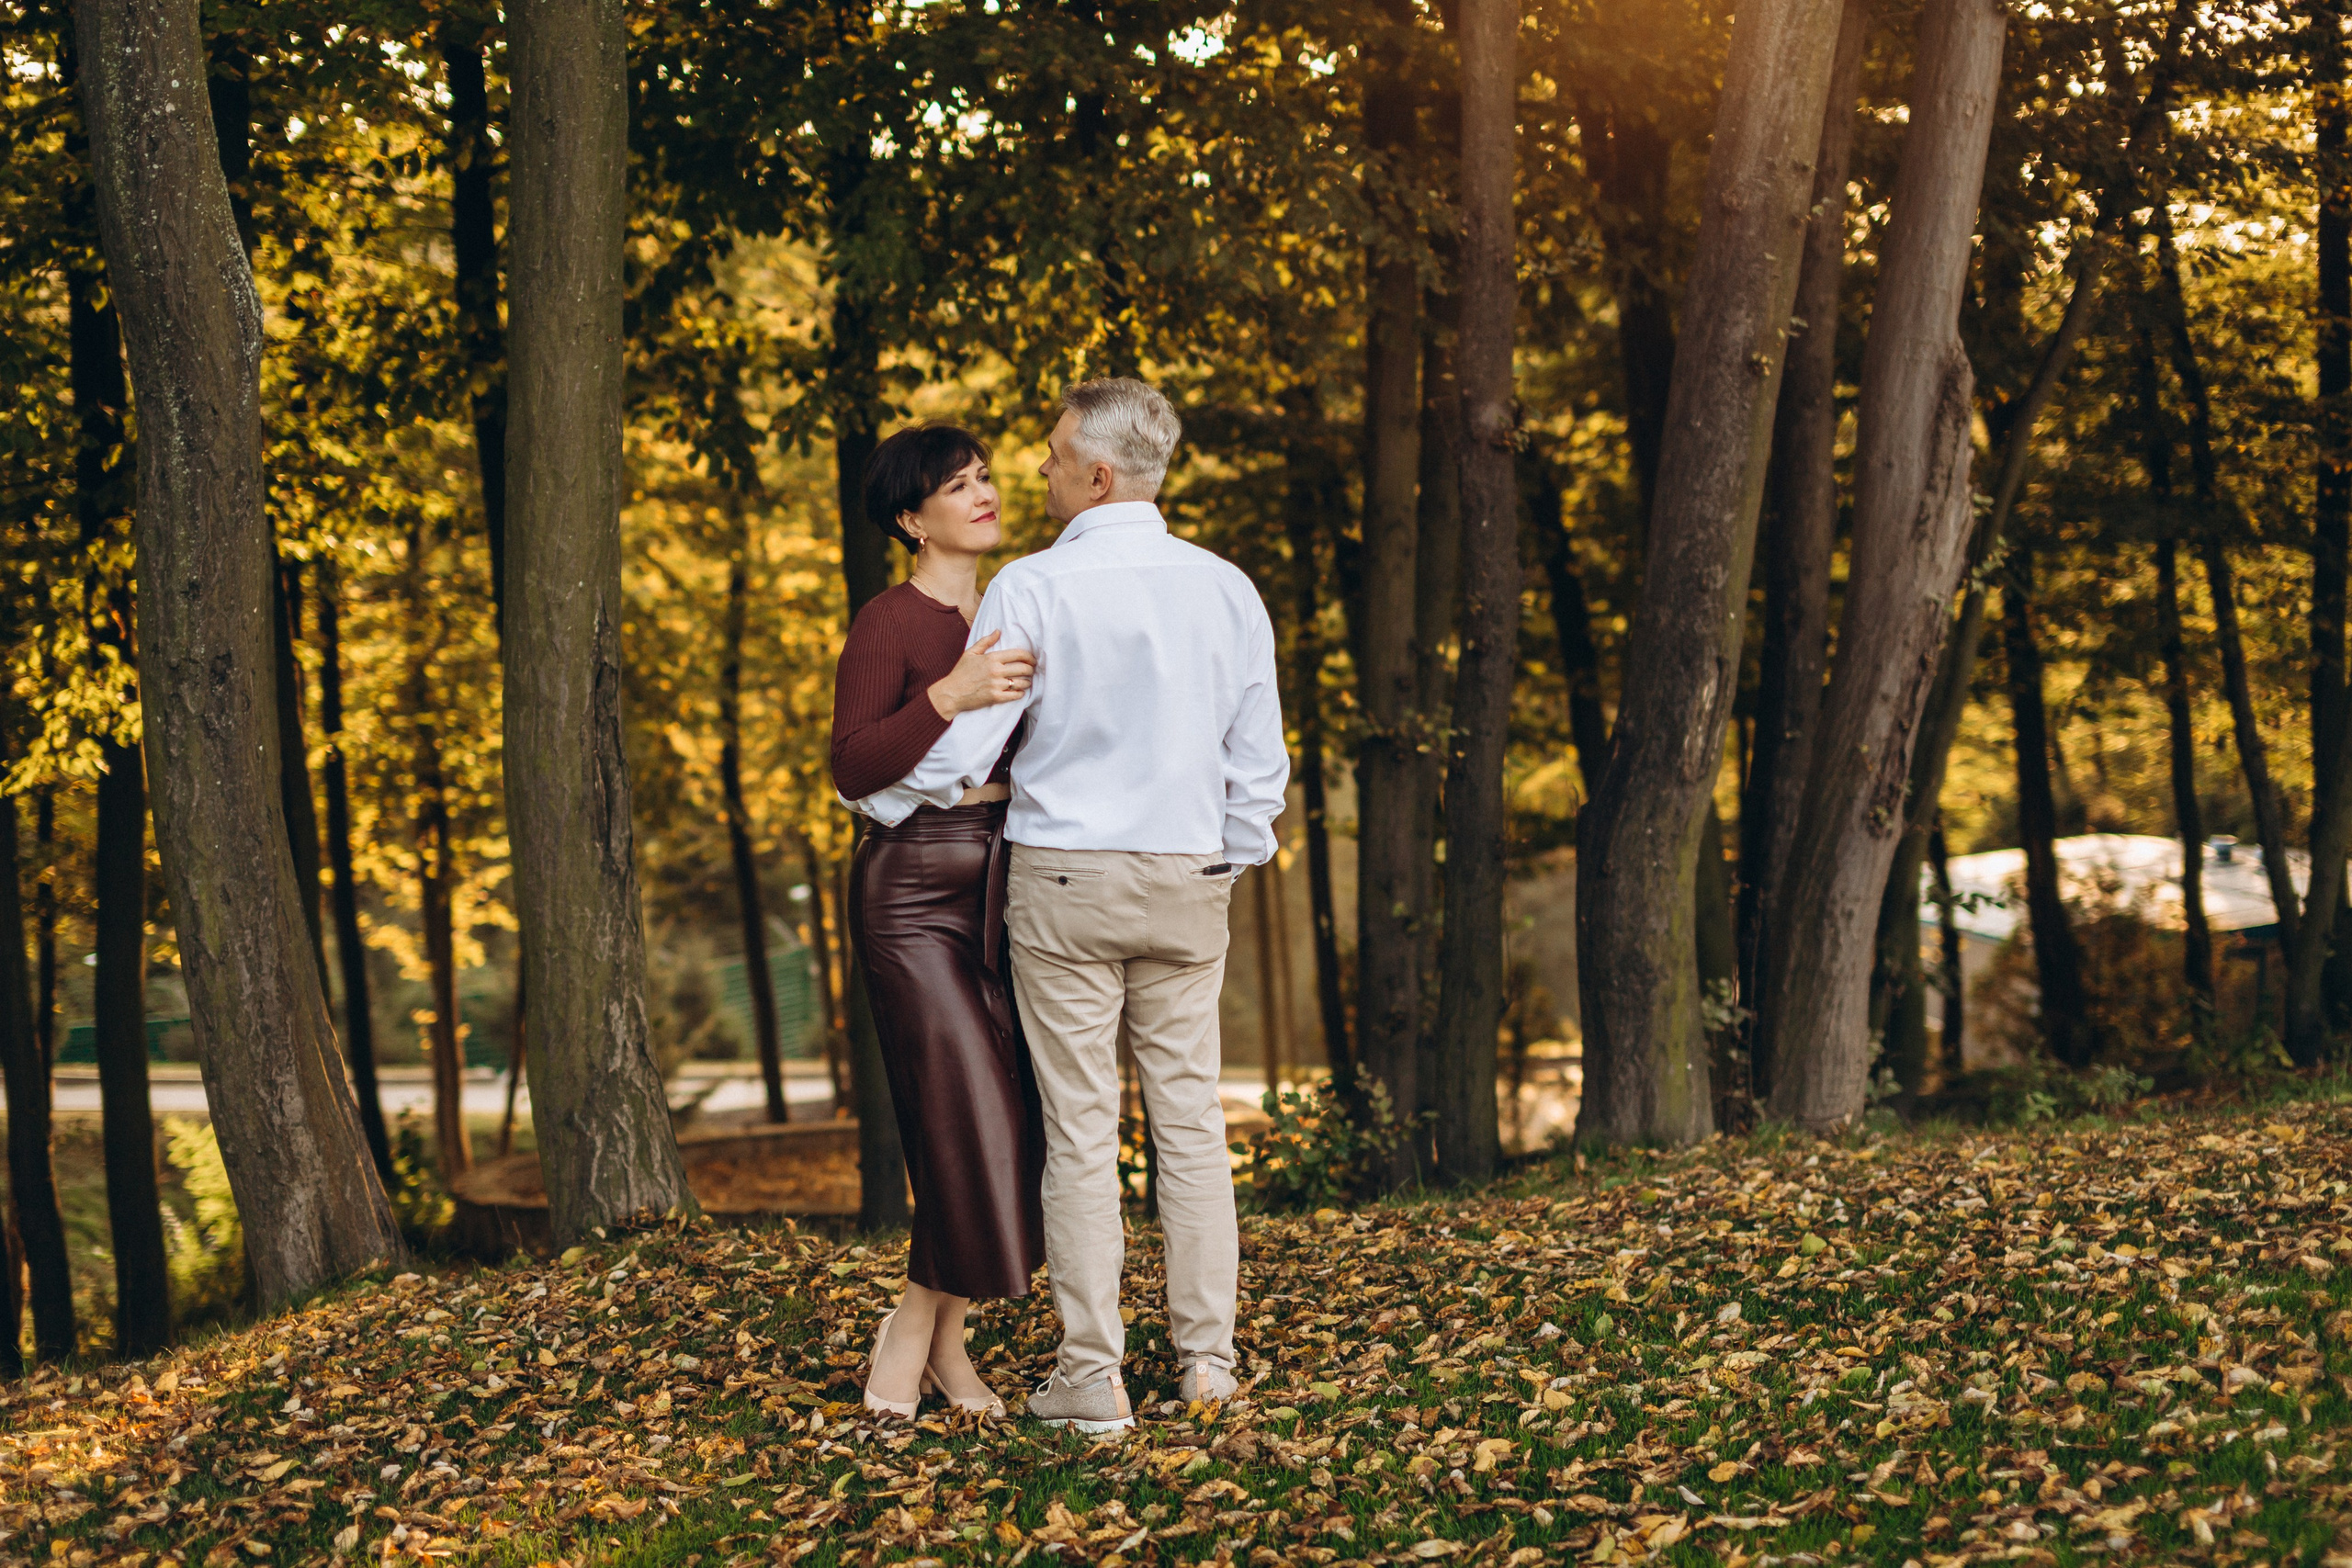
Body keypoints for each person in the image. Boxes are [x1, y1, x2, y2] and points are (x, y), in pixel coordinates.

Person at [899, 378, 1289, 1432]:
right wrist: (1227, 858)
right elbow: (1257, 766)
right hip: (1185, 877)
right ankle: (1208, 1364)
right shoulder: (1226, 590)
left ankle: (1092, 1377)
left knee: (1078, 1132)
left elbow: (974, 745)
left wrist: (895, 783)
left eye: (1053, 452)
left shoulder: (1032, 588)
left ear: (1099, 475)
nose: (1038, 467)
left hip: (1065, 881)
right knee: (1191, 1124)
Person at [831, 423, 1046, 1419]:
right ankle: (911, 1334)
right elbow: (853, 765)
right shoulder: (891, 621)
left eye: (987, 477)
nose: (984, 493)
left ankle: (944, 1349)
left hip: (1007, 882)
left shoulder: (1025, 606)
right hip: (911, 891)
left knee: (1009, 1122)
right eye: (958, 486)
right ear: (913, 520)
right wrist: (948, 696)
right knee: (969, 1118)